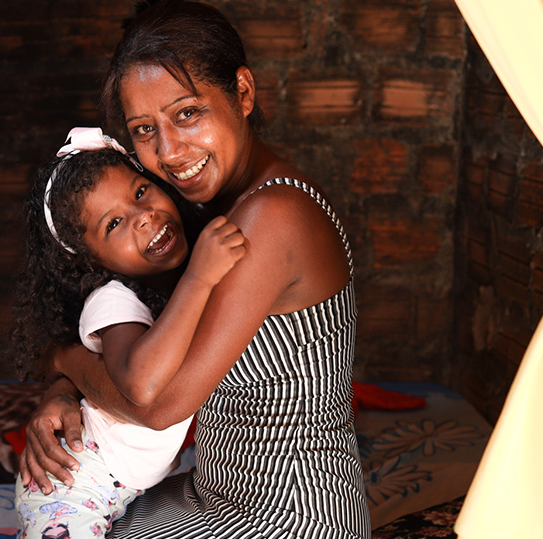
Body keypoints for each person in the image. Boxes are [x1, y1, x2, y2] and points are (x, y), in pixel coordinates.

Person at [19, 1, 371, 537]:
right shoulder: (200, 213)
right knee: (72, 513)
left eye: (187, 113)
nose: (169, 150)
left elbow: (157, 404)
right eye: (143, 129)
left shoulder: (272, 216)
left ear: (243, 93)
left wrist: (66, 359)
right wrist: (61, 393)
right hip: (212, 488)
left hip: (288, 515)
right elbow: (137, 341)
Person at [9, 127, 247, 539]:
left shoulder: (161, 286)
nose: (144, 217)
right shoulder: (113, 301)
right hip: (69, 484)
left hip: (121, 489)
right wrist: (200, 278)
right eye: (114, 223)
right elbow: (141, 382)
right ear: (90, 260)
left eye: (140, 193)